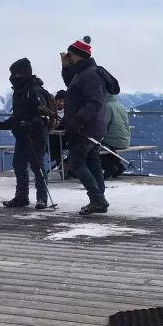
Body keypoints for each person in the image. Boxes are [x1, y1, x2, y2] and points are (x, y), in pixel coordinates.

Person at [0, 58, 51, 209]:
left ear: (22, 74)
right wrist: (3, 125)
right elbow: (16, 117)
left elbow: (44, 115)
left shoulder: (34, 90)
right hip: (22, 134)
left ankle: (42, 198)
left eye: (14, 74)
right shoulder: (19, 92)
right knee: (18, 165)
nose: (12, 77)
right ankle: (22, 197)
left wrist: (31, 124)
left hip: (36, 135)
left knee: (37, 165)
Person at [62, 36, 111, 215]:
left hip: (85, 128)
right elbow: (70, 85)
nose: (68, 56)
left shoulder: (90, 75)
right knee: (92, 161)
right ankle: (98, 197)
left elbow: (95, 101)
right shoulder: (83, 73)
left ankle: (97, 198)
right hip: (93, 127)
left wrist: (77, 121)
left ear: (78, 55)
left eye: (70, 54)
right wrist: (65, 66)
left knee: (77, 163)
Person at [101, 94, 130, 179]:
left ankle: (109, 167)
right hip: (125, 139)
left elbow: (103, 125)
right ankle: (119, 166)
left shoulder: (108, 106)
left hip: (114, 140)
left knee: (94, 147)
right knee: (106, 148)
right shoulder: (120, 105)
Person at [48, 90, 67, 172]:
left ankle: (62, 165)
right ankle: (61, 164)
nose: (61, 103)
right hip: (53, 138)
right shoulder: (51, 111)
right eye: (60, 101)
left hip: (64, 137)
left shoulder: (68, 111)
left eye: (63, 101)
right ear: (55, 101)